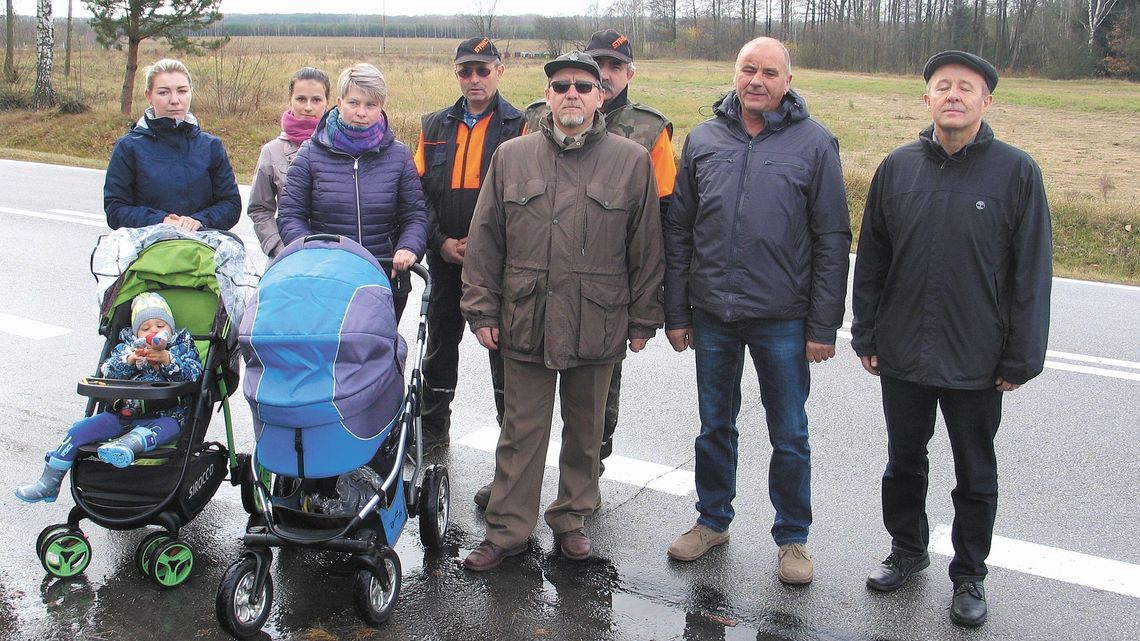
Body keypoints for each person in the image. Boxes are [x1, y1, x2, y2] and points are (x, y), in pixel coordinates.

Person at [851, 50, 1052, 627]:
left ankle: (969, 575)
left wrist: (1021, 355)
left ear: (986, 101)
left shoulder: (1016, 172)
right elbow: (873, 260)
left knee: (975, 470)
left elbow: (1030, 274)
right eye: (943, 86)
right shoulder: (898, 167)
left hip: (979, 358)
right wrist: (866, 330)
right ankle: (908, 551)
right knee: (902, 462)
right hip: (903, 351)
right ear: (928, 99)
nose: (954, 95)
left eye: (967, 88)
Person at [460, 51, 664, 571]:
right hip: (525, 317)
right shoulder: (512, 156)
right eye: (561, 86)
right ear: (547, 97)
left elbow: (646, 248)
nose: (571, 93)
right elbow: (485, 242)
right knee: (520, 430)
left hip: (597, 319)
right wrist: (482, 310)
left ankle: (572, 519)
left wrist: (643, 320)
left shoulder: (630, 160)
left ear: (601, 96)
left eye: (582, 85)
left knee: (587, 430)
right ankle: (507, 530)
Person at [661, 37, 851, 585]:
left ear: (787, 81)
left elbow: (832, 238)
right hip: (713, 313)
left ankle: (793, 538)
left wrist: (822, 326)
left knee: (789, 432)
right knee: (714, 425)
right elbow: (680, 231)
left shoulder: (815, 144)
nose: (758, 81)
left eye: (770, 72)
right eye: (749, 69)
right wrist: (678, 312)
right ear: (734, 73)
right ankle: (712, 520)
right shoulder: (704, 139)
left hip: (783, 318)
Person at [413, 38, 525, 453]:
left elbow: (526, 195)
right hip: (445, 258)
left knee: (502, 348)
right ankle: (433, 431)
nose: (474, 78)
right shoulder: (434, 125)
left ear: (500, 70)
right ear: (456, 73)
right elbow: (417, 192)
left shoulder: (521, 125)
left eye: (483, 69)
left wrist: (484, 247)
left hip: (499, 262)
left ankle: (511, 442)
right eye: (465, 70)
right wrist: (439, 241)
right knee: (441, 345)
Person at [15, 293, 204, 502]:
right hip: (119, 414)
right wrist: (130, 360)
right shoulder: (127, 347)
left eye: (160, 325)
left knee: (160, 430)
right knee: (77, 431)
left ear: (170, 328)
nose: (154, 331)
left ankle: (124, 447)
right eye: (146, 327)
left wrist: (167, 359)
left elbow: (193, 374)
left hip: (163, 416)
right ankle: (48, 482)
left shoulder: (181, 346)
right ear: (136, 331)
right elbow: (108, 372)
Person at [277, 63, 429, 319]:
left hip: (385, 276)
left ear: (381, 106)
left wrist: (408, 248)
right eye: (353, 103)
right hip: (327, 279)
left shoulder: (399, 155)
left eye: (370, 105)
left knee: (379, 353)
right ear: (338, 102)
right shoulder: (310, 154)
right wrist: (313, 250)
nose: (361, 112)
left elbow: (414, 214)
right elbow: (291, 215)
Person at [104, 58, 241, 232]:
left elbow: (231, 204)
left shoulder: (211, 146)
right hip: (146, 251)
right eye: (164, 92)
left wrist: (199, 221)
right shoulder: (129, 147)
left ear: (190, 92)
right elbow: (115, 209)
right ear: (149, 96)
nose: (175, 100)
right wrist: (161, 220)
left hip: (201, 249)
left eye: (182, 91)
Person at [246, 67, 331, 258]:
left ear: (327, 103)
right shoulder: (272, 152)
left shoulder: (344, 149)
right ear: (289, 101)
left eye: (316, 100)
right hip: (288, 256)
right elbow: (259, 208)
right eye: (301, 99)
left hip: (335, 257)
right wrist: (278, 247)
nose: (308, 107)